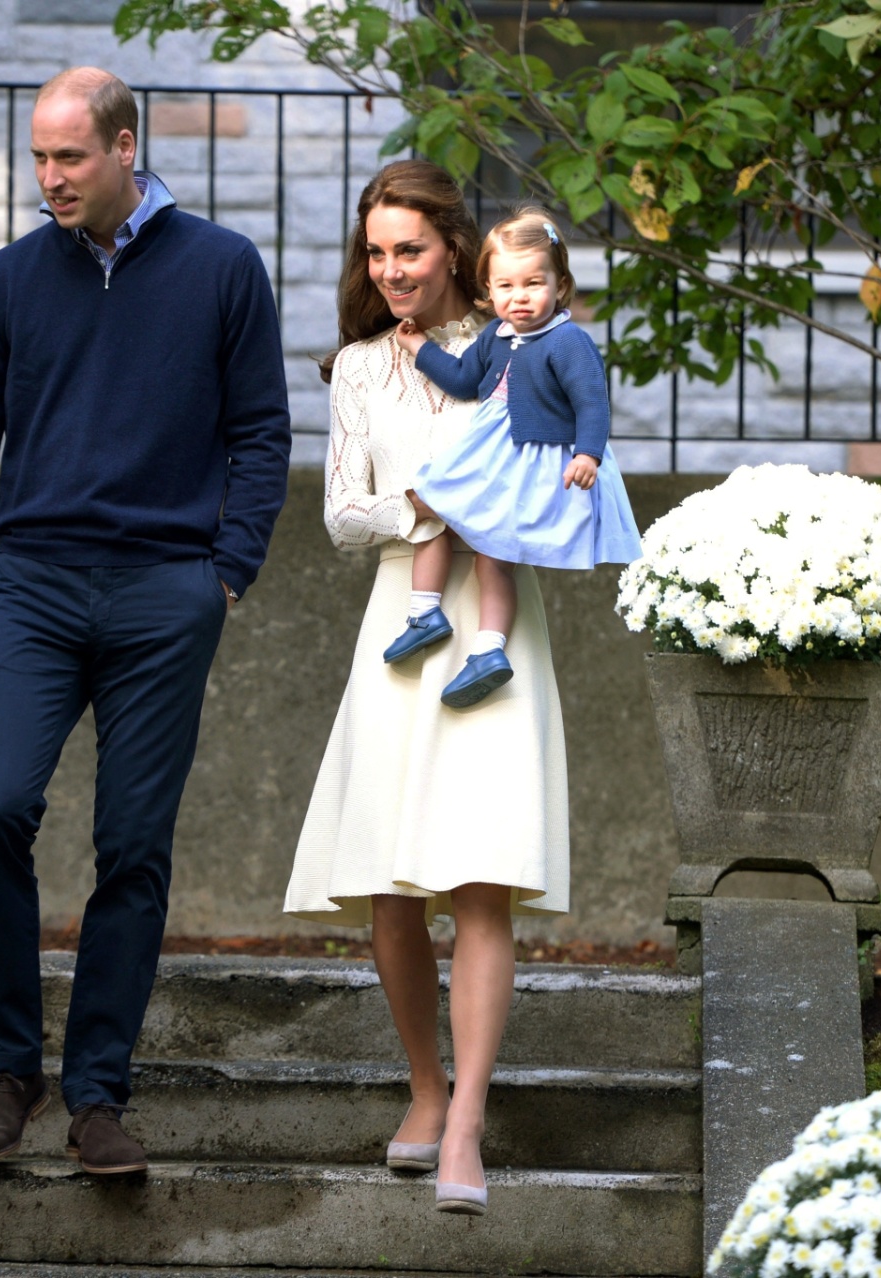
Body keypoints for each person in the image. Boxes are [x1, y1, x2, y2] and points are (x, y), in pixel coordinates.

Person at [0, 67, 291, 1176]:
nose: (49, 179)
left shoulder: (220, 268)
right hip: (39, 582)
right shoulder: (10, 280)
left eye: (68, 158)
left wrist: (227, 573)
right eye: (38, 160)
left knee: (132, 847)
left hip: (168, 592)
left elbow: (261, 432)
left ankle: (98, 1094)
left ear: (123, 147)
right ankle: (9, 1072)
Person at [283, 160, 572, 1217]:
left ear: (454, 247)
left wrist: (484, 508)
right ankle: (423, 1086)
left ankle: (466, 1123)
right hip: (400, 619)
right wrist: (436, 508)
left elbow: (550, 484)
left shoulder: (519, 345)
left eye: (410, 249)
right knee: (391, 884)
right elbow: (341, 515)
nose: (392, 269)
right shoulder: (359, 369)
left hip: (496, 626)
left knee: (480, 877)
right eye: (376, 253)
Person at [387, 205, 641, 706]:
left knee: (490, 549)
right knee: (441, 512)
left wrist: (588, 454)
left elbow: (593, 401)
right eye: (505, 286)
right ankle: (432, 616)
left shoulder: (568, 342)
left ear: (560, 285)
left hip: (533, 459)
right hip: (494, 454)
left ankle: (484, 644)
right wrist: (419, 349)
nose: (519, 298)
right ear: (488, 289)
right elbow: (462, 380)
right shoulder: (496, 336)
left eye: (533, 284)